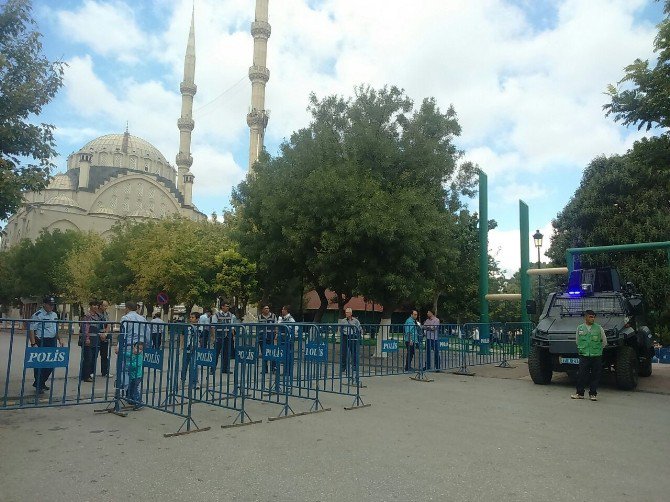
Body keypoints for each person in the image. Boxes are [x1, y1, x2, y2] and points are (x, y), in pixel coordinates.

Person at [116, 301, 148, 410]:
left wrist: (119, 346)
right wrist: (145, 346)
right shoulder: (142, 319)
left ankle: (136, 399)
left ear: (127, 308)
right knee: (135, 372)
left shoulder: (125, 318)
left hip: (128, 347)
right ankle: (130, 396)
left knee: (125, 372)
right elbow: (147, 334)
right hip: (139, 347)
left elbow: (123, 334)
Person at [571, 309, 608, 401]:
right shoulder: (580, 328)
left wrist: (597, 350)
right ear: (585, 317)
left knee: (595, 375)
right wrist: (583, 349)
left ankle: (593, 394)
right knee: (582, 375)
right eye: (590, 317)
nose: (593, 319)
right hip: (584, 355)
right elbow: (577, 341)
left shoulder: (599, 328)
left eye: (594, 317)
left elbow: (604, 342)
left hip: (596, 356)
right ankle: (580, 393)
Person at [29, 296, 63, 393]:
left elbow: (56, 328)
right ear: (44, 304)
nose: (51, 306)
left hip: (52, 341)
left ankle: (40, 382)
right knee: (40, 364)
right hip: (41, 341)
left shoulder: (54, 315)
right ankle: (39, 384)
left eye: (53, 305)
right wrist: (33, 343)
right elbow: (31, 329)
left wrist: (60, 339)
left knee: (51, 364)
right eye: (49, 304)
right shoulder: (38, 315)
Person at [80, 300, 103, 382]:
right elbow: (85, 328)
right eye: (94, 305)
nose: (96, 307)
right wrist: (87, 338)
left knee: (93, 358)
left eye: (97, 305)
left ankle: (87, 374)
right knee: (88, 358)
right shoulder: (87, 316)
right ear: (90, 306)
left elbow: (100, 327)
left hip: (96, 340)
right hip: (88, 339)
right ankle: (85, 376)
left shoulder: (98, 316)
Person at [212, 302, 237, 374]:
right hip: (219, 336)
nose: (228, 307)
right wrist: (214, 337)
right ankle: (212, 369)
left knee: (226, 353)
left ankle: (225, 369)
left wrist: (233, 336)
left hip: (228, 336)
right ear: (222, 307)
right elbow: (213, 327)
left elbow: (232, 326)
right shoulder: (216, 315)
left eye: (228, 306)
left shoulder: (231, 315)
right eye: (226, 306)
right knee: (216, 353)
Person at [338, 307, 362, 373]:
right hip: (345, 337)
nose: (346, 313)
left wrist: (358, 335)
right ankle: (343, 367)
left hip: (352, 337)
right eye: (345, 312)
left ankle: (354, 366)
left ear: (351, 313)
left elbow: (359, 329)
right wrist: (343, 333)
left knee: (353, 352)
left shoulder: (355, 321)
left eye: (347, 312)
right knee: (344, 352)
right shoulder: (343, 321)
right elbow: (340, 329)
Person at [181, 311, 200, 390]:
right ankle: (182, 380)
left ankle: (194, 382)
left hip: (195, 348)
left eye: (193, 317)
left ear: (197, 319)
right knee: (184, 365)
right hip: (187, 348)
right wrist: (181, 346)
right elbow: (182, 335)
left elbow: (202, 338)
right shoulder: (187, 326)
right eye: (190, 317)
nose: (191, 319)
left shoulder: (200, 327)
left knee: (194, 366)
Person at [278, 305, 296, 378]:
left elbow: (295, 328)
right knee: (284, 356)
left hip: (288, 339)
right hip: (283, 339)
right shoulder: (282, 318)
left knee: (288, 356)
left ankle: (288, 372)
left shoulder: (290, 319)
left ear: (286, 310)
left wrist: (291, 336)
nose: (282, 311)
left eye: (283, 309)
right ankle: (285, 371)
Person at [258, 305, 277, 373]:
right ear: (262, 310)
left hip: (270, 336)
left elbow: (276, 325)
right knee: (263, 353)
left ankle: (273, 368)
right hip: (262, 337)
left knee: (271, 352)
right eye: (265, 308)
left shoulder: (273, 316)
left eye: (268, 308)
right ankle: (264, 369)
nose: (267, 309)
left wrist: (276, 334)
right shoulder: (259, 316)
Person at [98, 300, 111, 377]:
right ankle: (91, 372)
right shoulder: (96, 314)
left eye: (107, 306)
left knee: (104, 355)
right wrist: (100, 334)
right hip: (97, 335)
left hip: (104, 335)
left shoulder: (106, 314)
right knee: (94, 355)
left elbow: (108, 324)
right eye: (104, 306)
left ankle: (105, 372)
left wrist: (106, 333)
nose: (106, 307)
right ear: (100, 306)